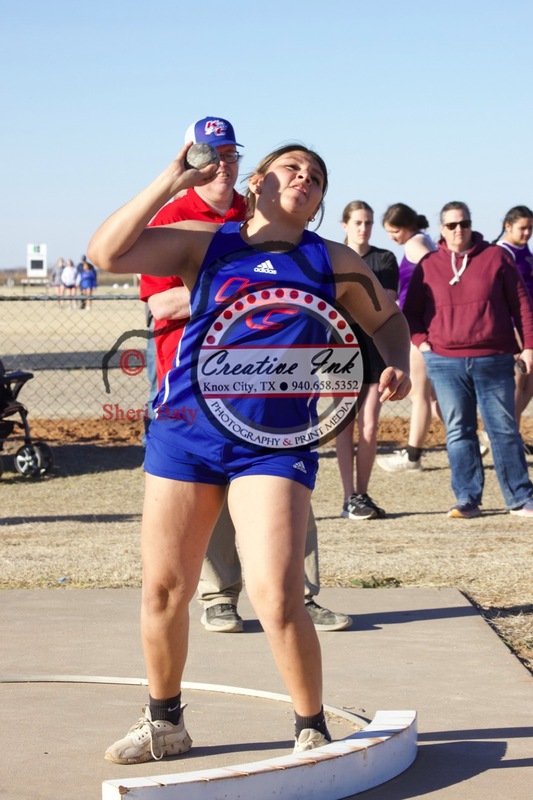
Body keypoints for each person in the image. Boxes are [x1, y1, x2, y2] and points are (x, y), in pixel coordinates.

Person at [87, 142, 411, 761]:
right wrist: (172, 177)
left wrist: (393, 362)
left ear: (318, 204)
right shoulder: (204, 243)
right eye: (292, 168)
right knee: (164, 589)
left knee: (276, 594)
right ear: (257, 182)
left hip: (271, 446)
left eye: (316, 178)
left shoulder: (330, 259)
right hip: (185, 434)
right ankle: (166, 723)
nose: (305, 179)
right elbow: (104, 254)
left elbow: (388, 320)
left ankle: (311, 725)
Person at [140, 117, 349, 634]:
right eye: (212, 152)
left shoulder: (257, 213)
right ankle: (219, 594)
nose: (223, 161)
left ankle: (297, 595)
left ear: (246, 169)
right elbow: (159, 304)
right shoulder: (181, 218)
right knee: (202, 495)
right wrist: (242, 290)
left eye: (232, 152)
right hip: (190, 384)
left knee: (283, 495)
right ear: (192, 157)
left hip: (271, 387)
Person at [403, 200, 533, 518]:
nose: (458, 230)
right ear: (441, 230)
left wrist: (528, 346)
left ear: (471, 224)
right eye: (451, 225)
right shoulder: (429, 264)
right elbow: (411, 312)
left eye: (464, 223)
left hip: (494, 357)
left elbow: (521, 303)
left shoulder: (496, 257)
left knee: (503, 428)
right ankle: (467, 498)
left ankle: (520, 497)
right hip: (444, 361)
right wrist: (422, 344)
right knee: (458, 430)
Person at [336, 201, 399, 520]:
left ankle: (362, 492)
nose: (364, 228)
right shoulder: (332, 255)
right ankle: (349, 496)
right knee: (343, 426)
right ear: (344, 224)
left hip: (374, 350)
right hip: (338, 350)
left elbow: (382, 303)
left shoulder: (384, 258)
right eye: (358, 222)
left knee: (370, 426)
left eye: (369, 223)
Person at [376, 203, 437, 472]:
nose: (391, 237)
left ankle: (412, 457)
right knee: (434, 398)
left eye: (393, 230)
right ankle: (475, 437)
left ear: (406, 226)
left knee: (419, 395)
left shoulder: (415, 243)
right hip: (425, 323)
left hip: (420, 327)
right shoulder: (423, 239)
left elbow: (436, 273)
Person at [494, 206, 533, 450]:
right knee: (518, 382)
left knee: (528, 383)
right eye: (523, 228)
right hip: (513, 326)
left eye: (530, 228)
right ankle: (510, 437)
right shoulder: (501, 252)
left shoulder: (524, 249)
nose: (527, 232)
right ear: (508, 226)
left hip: (528, 323)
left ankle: (512, 432)